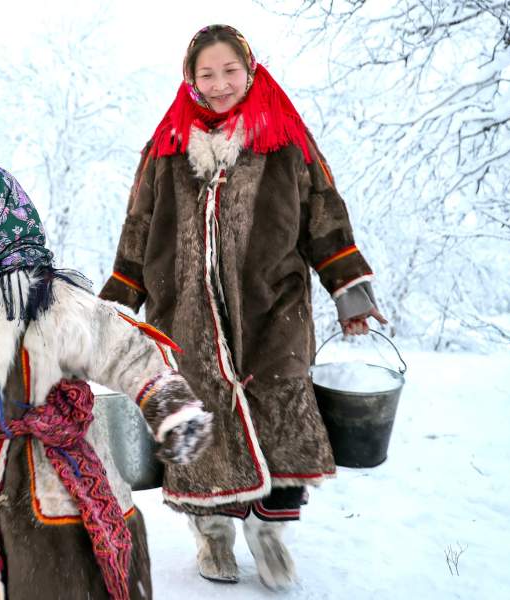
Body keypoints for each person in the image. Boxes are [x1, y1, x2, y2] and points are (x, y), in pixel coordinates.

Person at [98, 25, 387, 591]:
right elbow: (138, 228)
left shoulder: (284, 138)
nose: (219, 84)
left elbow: (324, 214)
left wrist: (348, 289)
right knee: (198, 425)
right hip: (184, 317)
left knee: (282, 414)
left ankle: (270, 532)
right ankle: (211, 533)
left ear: (249, 70)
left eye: (230, 71)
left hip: (273, 310)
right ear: (191, 79)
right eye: (206, 74)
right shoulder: (166, 147)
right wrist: (118, 306)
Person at [0, 162, 214, 600]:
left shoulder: (49, 294)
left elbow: (121, 348)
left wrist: (169, 406)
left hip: (54, 470)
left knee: (58, 579)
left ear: (3, 217)